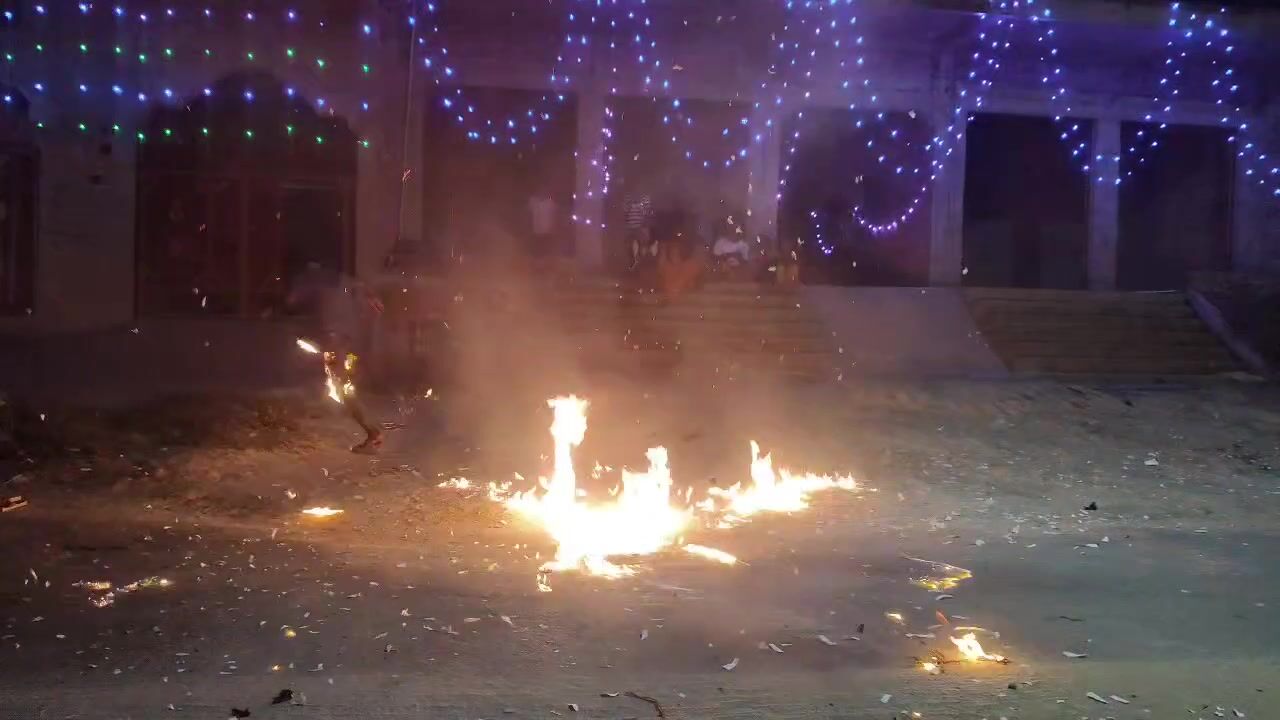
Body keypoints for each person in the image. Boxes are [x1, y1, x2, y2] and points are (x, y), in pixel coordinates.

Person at [288, 264, 386, 453]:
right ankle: (373, 433)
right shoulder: (346, 283)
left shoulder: (323, 284)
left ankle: (374, 434)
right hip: (347, 344)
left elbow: (293, 300)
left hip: (340, 344)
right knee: (345, 390)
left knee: (344, 390)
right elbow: (367, 299)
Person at [622, 190, 654, 271]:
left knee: (641, 243)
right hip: (632, 228)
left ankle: (639, 258)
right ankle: (633, 260)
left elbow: (645, 213)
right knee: (629, 245)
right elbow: (626, 212)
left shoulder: (640, 204)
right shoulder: (631, 203)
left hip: (637, 228)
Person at [527, 189, 557, 263]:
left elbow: (554, 215)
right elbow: (529, 214)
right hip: (536, 230)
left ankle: (544, 262)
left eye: (543, 191)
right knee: (536, 248)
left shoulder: (550, 203)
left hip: (546, 230)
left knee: (545, 248)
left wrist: (553, 227)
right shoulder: (533, 201)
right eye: (540, 190)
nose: (541, 192)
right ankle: (537, 262)